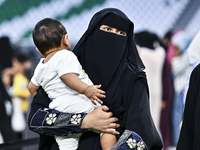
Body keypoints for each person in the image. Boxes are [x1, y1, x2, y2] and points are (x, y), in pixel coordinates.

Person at [28, 8, 163, 150]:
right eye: (107, 29)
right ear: (93, 31)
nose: (113, 37)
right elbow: (36, 118)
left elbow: (141, 130)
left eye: (121, 33)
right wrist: (84, 121)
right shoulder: (66, 67)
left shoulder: (133, 78)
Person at [28, 18, 107, 150]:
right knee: (107, 128)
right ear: (66, 39)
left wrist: (49, 98)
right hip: (80, 104)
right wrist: (86, 89)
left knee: (67, 146)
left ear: (39, 51)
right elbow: (66, 76)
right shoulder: (65, 55)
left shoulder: (40, 66)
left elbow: (32, 87)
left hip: (58, 110)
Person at [134, 31, 165, 133]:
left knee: (145, 118)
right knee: (156, 119)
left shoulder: (142, 52)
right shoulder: (160, 53)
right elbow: (158, 45)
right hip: (157, 88)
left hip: (145, 88)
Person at [170, 31, 191, 146]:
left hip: (182, 90)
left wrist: (174, 58)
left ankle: (178, 141)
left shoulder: (186, 56)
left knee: (178, 116)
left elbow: (175, 68)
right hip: (180, 90)